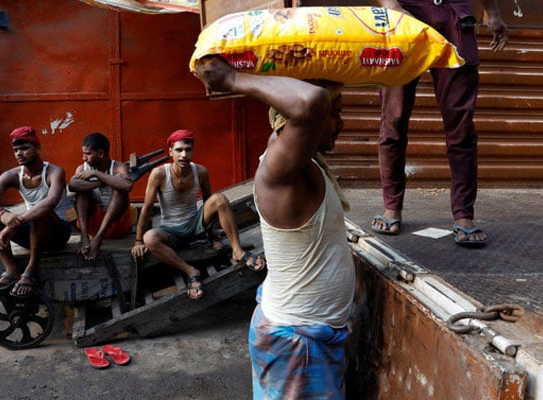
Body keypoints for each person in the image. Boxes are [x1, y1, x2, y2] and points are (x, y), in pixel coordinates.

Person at [192, 56, 356, 399]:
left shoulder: (305, 166)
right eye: (335, 113)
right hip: (297, 343)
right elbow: (311, 101)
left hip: (307, 337)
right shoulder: (280, 175)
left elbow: (312, 105)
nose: (341, 122)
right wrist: (233, 79)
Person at [371, 0, 508, 248]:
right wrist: (391, 5)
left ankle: (464, 215)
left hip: (453, 13)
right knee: (394, 119)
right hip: (406, 13)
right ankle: (391, 206)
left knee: (461, 126)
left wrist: (493, 12)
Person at [130, 128, 265, 300]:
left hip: (195, 224)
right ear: (171, 152)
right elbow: (147, 208)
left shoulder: (200, 171)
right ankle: (190, 271)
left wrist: (213, 233)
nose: (184, 155)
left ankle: (237, 251)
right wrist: (138, 240)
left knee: (220, 199)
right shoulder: (159, 174)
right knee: (150, 238)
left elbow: (210, 202)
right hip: (170, 230)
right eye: (179, 150)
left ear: (193, 151)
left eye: (188, 150)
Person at [0, 126, 73, 297]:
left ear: (37, 149)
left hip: (57, 234)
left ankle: (31, 270)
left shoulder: (54, 172)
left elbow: (49, 203)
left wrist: (15, 223)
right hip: (34, 234)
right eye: (16, 150)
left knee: (40, 213)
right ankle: (11, 269)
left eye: (25, 148)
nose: (19, 153)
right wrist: (3, 216)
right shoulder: (12, 175)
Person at [69, 132, 133, 260]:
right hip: (92, 227)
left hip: (116, 227)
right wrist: (100, 183)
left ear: (101, 154)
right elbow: (72, 185)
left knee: (119, 189)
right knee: (81, 192)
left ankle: (98, 239)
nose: (84, 158)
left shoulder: (117, 167)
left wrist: (96, 173)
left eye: (88, 154)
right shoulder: (82, 168)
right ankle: (84, 237)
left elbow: (127, 186)